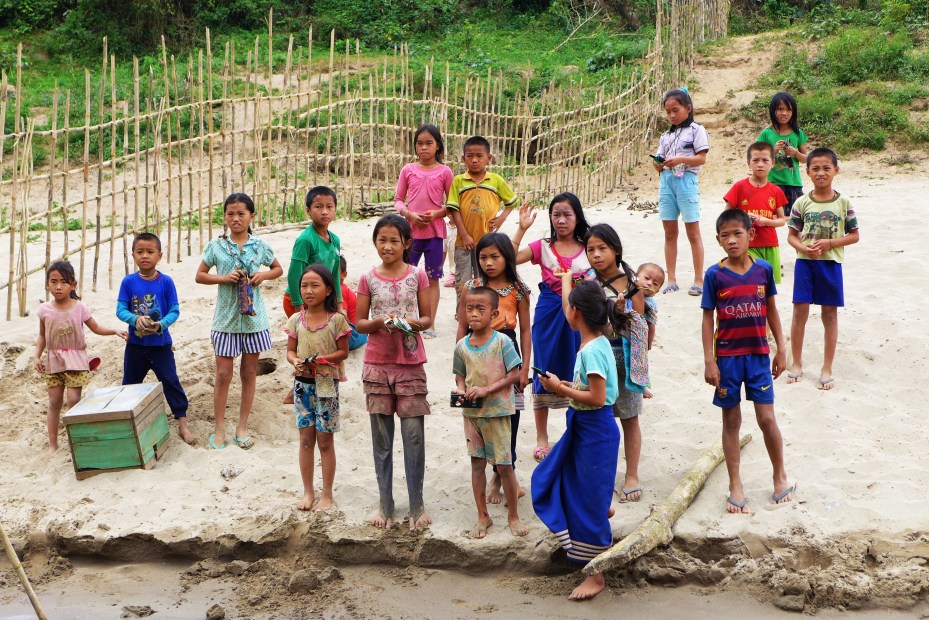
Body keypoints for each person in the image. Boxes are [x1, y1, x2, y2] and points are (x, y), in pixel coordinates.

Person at [532, 277, 627, 601]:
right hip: (585, 427)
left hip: (595, 429)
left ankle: (596, 575)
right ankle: (600, 505)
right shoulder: (594, 342)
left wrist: (559, 388)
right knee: (565, 478)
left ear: (574, 313)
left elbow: (598, 398)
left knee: (580, 496)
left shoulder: (591, 351)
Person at [701, 209, 794, 514]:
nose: (731, 240)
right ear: (717, 240)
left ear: (750, 235)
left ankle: (780, 476)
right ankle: (735, 483)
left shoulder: (763, 270)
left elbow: (772, 310)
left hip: (758, 357)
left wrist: (782, 347)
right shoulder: (715, 275)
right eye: (725, 235)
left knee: (767, 419)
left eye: (737, 233)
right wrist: (709, 361)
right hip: (726, 359)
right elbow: (707, 318)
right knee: (731, 421)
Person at [355, 214, 433, 531]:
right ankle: (385, 504)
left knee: (414, 437)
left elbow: (427, 318)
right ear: (375, 242)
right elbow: (359, 323)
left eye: (394, 240)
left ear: (406, 244)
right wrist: (378, 323)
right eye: (382, 240)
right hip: (377, 363)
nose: (387, 246)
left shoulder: (418, 276)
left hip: (411, 362)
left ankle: (417, 505)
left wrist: (407, 324)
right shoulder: (367, 279)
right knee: (381, 439)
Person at [196, 193, 283, 450]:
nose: (235, 218)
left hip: (254, 321)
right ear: (224, 217)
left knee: (248, 373)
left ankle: (242, 426)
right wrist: (224, 278)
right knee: (223, 373)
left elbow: (278, 269)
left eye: (241, 214)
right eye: (230, 214)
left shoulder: (260, 245)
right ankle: (219, 427)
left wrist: (262, 276)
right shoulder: (216, 246)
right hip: (225, 320)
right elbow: (200, 275)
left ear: (251, 217)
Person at [512, 193, 591, 462]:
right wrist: (522, 228)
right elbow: (507, 258)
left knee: (578, 369)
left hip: (580, 314)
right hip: (548, 313)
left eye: (567, 214)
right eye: (556, 214)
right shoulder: (543, 246)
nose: (561, 220)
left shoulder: (589, 246)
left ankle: (575, 433)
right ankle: (542, 438)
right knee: (543, 368)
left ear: (577, 216)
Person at [455, 232, 531, 505]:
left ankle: (501, 476)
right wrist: (459, 367)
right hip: (476, 355)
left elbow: (525, 332)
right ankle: (493, 472)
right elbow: (462, 328)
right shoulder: (472, 286)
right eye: (483, 257)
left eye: (495, 257)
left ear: (506, 258)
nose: (488, 262)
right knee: (481, 415)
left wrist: (524, 370)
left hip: (507, 355)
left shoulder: (518, 290)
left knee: (510, 419)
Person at [452, 287, 529, 538]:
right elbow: (460, 375)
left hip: (497, 413)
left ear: (493, 313)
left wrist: (487, 389)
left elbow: (514, 374)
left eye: (480, 309)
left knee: (504, 466)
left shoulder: (502, 342)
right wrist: (461, 391)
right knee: (476, 465)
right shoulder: (462, 346)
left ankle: (513, 516)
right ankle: (482, 516)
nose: (473, 314)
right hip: (472, 416)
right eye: (469, 309)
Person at [581, 223, 646, 503]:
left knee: (629, 417)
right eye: (590, 249)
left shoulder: (632, 285)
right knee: (599, 418)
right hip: (596, 359)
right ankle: (601, 473)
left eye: (602, 248)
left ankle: (632, 473)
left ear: (616, 250)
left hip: (623, 360)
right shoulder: (587, 284)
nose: (596, 255)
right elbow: (580, 322)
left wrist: (620, 316)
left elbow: (640, 325)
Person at [785, 147, 859, 390]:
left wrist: (830, 243)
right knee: (799, 313)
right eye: (815, 168)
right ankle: (796, 363)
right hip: (805, 264)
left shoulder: (844, 202)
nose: (821, 173)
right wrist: (804, 249)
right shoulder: (801, 202)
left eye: (826, 168)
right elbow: (792, 236)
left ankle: (827, 367)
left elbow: (854, 235)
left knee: (829, 315)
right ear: (807, 172)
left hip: (831, 265)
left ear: (836, 170)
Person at [34, 260, 128, 451]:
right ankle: (53, 444)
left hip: (76, 361)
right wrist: (37, 356)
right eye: (53, 281)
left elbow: (96, 327)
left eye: (63, 281)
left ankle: (75, 439)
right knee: (54, 402)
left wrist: (114, 331)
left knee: (74, 401)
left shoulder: (79, 308)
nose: (58, 286)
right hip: (53, 362)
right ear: (47, 284)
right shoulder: (44, 310)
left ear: (73, 284)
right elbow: (42, 335)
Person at [284, 264, 350, 512]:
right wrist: (295, 361)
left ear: (328, 289)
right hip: (302, 384)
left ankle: (327, 494)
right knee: (305, 440)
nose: (308, 291)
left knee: (325, 441)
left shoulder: (337, 320)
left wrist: (325, 360)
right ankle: (308, 492)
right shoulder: (295, 319)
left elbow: (343, 352)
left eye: (315, 285)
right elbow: (290, 350)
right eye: (304, 286)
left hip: (326, 383)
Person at [117, 232, 193, 444]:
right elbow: (120, 309)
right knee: (129, 384)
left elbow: (174, 310)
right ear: (132, 254)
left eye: (150, 252)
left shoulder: (166, 282)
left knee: (170, 381)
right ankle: (127, 424)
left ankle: (182, 423)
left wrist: (161, 324)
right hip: (135, 345)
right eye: (140, 252)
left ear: (159, 255)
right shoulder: (128, 282)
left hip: (160, 344)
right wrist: (134, 319)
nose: (145, 256)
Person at [394, 124, 454, 338]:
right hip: (410, 235)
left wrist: (437, 214)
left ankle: (429, 323)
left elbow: (453, 204)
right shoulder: (408, 170)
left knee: (433, 278)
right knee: (406, 276)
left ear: (438, 145)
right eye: (419, 143)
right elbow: (398, 200)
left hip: (435, 234)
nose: (424, 147)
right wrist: (409, 215)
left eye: (429, 143)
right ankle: (407, 319)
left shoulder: (445, 172)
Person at [653, 87, 709, 297]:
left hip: (687, 180)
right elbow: (658, 160)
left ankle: (698, 279)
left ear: (688, 108)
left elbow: (701, 158)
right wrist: (658, 164)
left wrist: (681, 160)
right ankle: (672, 279)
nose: (672, 115)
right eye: (668, 112)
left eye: (675, 110)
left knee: (693, 232)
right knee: (669, 233)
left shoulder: (696, 130)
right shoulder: (665, 136)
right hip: (667, 182)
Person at [446, 135, 519, 293]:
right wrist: (464, 235)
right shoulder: (458, 181)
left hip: (487, 243)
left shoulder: (496, 180)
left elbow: (512, 202)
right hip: (462, 242)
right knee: (463, 283)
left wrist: (500, 219)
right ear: (463, 158)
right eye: (470, 156)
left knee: (486, 281)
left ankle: (484, 314)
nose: (474, 160)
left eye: (479, 156)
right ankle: (462, 315)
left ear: (489, 158)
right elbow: (454, 209)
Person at [723, 142, 789, 283]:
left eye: (765, 160)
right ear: (748, 163)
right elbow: (726, 216)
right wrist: (743, 219)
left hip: (770, 243)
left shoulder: (775, 191)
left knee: (769, 284)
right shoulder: (739, 187)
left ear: (772, 163)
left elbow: (782, 220)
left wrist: (765, 221)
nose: (760, 164)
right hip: (746, 244)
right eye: (755, 160)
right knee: (750, 282)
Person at [284, 186, 342, 317]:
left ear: (335, 210)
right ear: (308, 211)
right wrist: (299, 308)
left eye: (329, 207)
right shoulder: (305, 240)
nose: (325, 212)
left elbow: (335, 275)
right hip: (300, 298)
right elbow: (294, 274)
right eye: (319, 207)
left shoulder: (335, 240)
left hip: (320, 298)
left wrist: (339, 304)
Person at [757, 92, 809, 212]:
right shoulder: (766, 134)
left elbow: (806, 159)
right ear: (773, 111)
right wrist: (773, 151)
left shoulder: (798, 133)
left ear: (793, 112)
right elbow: (757, 157)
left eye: (788, 110)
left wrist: (795, 153)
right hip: (772, 183)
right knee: (772, 217)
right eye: (780, 109)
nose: (784, 113)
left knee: (795, 220)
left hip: (794, 183)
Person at [635, 262, 665, 354]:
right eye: (646, 278)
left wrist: (648, 343)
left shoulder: (650, 304)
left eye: (655, 284)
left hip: (638, 336)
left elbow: (651, 324)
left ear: (657, 291)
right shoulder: (628, 290)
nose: (649, 283)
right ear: (635, 277)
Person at [339, 256, 367, 351]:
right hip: (359, 332)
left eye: (333, 271)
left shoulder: (339, 290)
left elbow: (342, 318)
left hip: (355, 334)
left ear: (343, 275)